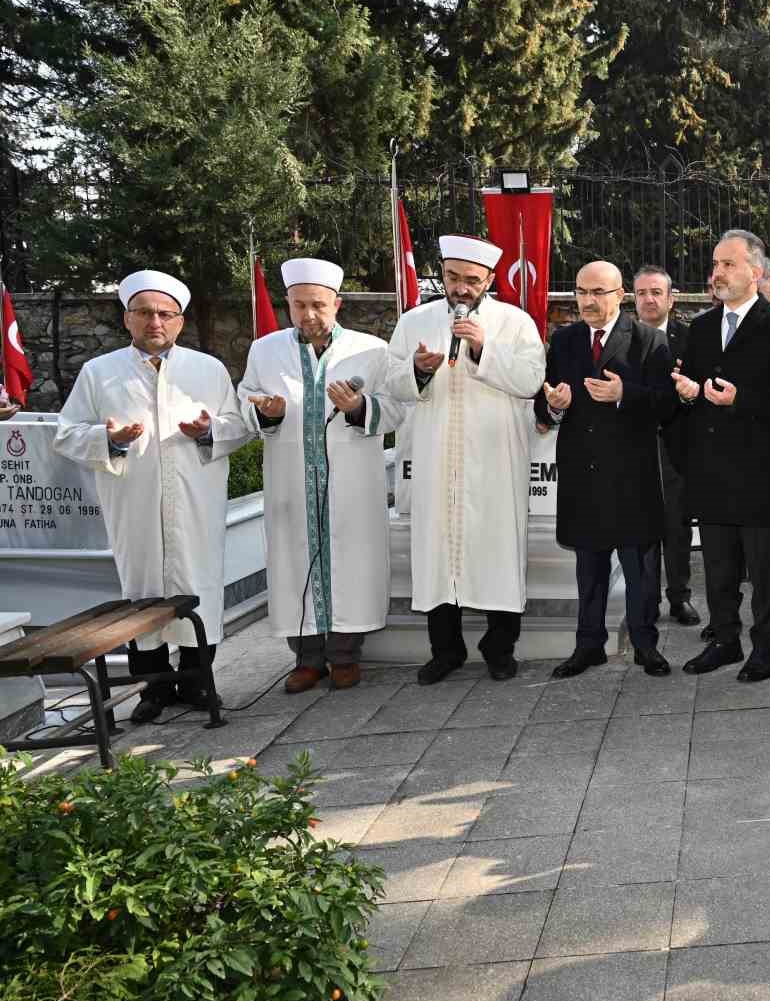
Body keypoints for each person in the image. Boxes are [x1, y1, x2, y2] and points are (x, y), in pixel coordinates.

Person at [54, 270, 249, 722]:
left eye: (165, 314)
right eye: (144, 313)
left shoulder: (208, 369)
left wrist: (209, 431)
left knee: (197, 582)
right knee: (141, 590)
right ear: (127, 319)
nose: (154, 322)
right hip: (133, 504)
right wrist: (112, 440)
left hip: (194, 500)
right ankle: (152, 690)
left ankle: (198, 683)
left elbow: (238, 427)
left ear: (179, 321)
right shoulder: (99, 373)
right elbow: (67, 435)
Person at [385, 234, 546, 685]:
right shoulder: (414, 321)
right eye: (453, 277)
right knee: (439, 556)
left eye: (471, 280)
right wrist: (417, 370)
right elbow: (391, 382)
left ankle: (499, 648)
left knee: (496, 551)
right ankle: (445, 650)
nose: (460, 288)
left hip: (495, 461)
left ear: (489, 280)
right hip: (437, 461)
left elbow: (532, 380)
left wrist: (481, 349)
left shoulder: (515, 322)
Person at [239, 258, 406, 693]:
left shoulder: (371, 350)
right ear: (287, 305)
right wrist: (266, 413)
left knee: (352, 561)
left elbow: (395, 408)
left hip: (352, 479)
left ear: (338, 304)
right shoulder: (265, 351)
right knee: (295, 562)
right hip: (290, 479)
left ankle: (346, 655)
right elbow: (244, 401)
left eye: (317, 305)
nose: (309, 315)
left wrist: (358, 409)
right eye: (298, 306)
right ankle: (307, 659)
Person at [669, 230, 770, 681]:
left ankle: (766, 649)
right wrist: (689, 392)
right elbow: (691, 386)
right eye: (715, 264)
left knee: (767, 569)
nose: (717, 273)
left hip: (760, 471)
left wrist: (740, 400)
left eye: (728, 264)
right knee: (718, 565)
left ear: (755, 271)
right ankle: (725, 640)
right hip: (711, 469)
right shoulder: (703, 327)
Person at [535, 260, 677, 679]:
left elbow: (667, 404)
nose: (588, 301)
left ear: (620, 296)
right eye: (582, 292)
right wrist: (553, 405)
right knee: (589, 568)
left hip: (631, 477)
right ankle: (588, 645)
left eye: (598, 292)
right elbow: (544, 400)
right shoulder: (564, 341)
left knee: (640, 570)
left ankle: (646, 645)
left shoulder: (649, 341)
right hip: (583, 474)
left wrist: (623, 394)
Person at [632, 265, 701, 627]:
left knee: (677, 526)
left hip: (676, 445)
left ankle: (680, 597)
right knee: (642, 526)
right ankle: (646, 600)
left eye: (656, 292)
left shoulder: (690, 339)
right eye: (642, 293)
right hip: (635, 447)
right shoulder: (622, 338)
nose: (649, 299)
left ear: (671, 299)